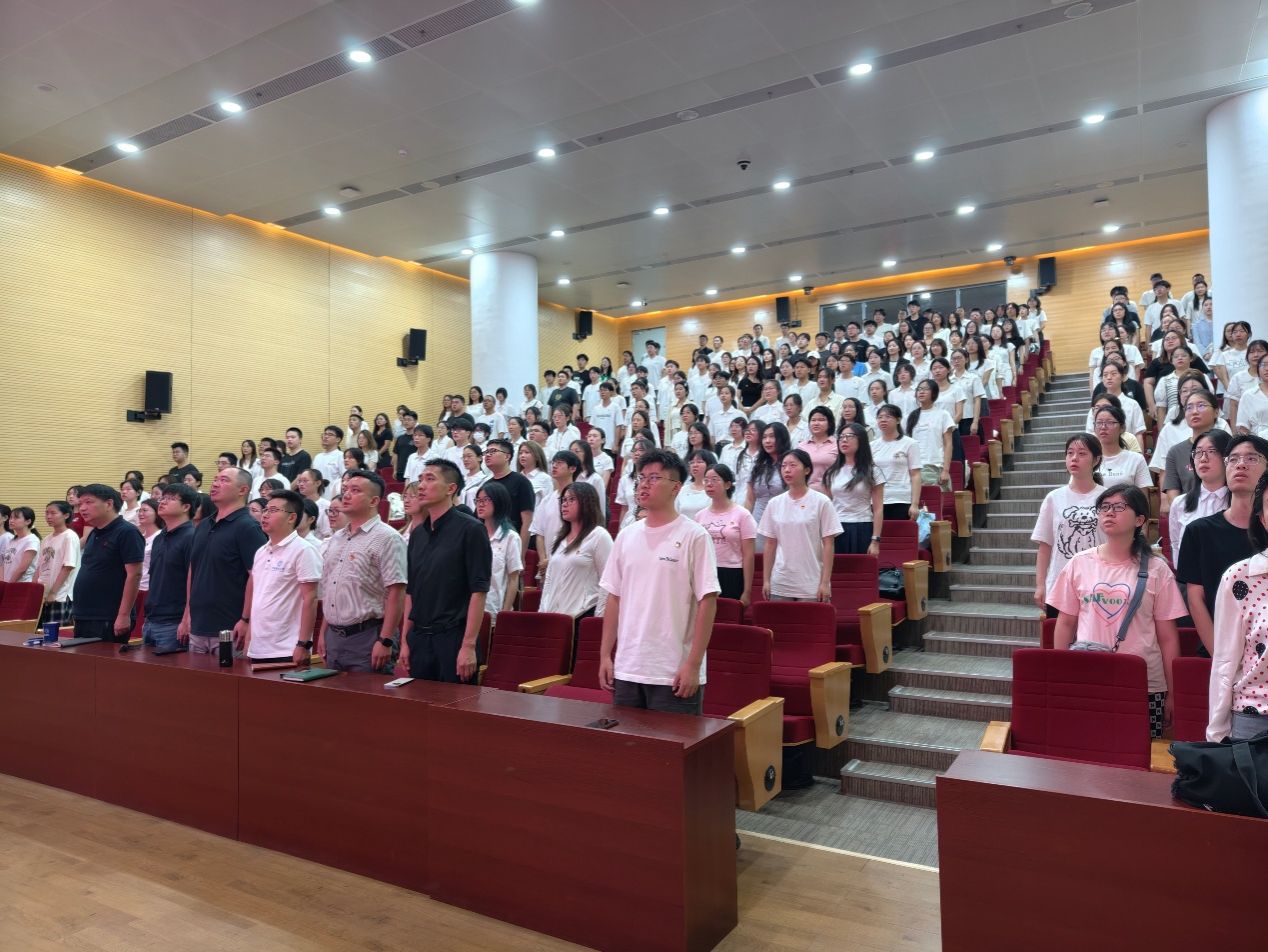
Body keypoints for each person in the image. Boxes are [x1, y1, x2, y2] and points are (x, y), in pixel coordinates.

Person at [1050, 484, 1184, 738]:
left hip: (1146, 683)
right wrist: (1062, 677)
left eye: (1120, 507)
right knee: (1088, 746)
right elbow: (1065, 624)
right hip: (1088, 677)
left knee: (1142, 750)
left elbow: (1168, 637)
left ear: (1140, 520)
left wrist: (1173, 694)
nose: (1109, 512)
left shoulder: (1157, 569)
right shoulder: (1079, 563)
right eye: (1104, 507)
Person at [598, 449, 720, 713]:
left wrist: (693, 664)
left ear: (676, 487)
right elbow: (614, 598)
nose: (644, 484)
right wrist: (605, 655)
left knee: (674, 740)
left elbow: (707, 602)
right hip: (628, 667)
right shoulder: (626, 536)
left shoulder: (695, 536)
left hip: (673, 671)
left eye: (654, 478)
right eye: (641, 477)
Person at [1176, 435, 1268, 656]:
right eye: (1233, 459)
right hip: (1217, 649)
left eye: (1252, 458)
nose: (1241, 464)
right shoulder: (1199, 531)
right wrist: (1222, 658)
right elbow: (1196, 600)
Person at [401, 460, 491, 683]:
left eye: (430, 479)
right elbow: (411, 592)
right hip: (419, 637)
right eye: (420, 479)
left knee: (455, 703)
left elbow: (478, 591)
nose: (421, 485)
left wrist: (468, 646)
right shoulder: (418, 534)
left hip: (453, 637)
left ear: (451, 488)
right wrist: (404, 641)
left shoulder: (471, 529)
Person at [318, 470, 407, 672]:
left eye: (356, 490)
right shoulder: (336, 538)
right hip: (333, 635)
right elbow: (332, 588)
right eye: (346, 489)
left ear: (374, 500)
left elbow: (396, 592)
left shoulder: (388, 538)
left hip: (368, 635)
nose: (347, 495)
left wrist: (385, 640)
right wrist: (323, 632)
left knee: (366, 692)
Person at [179, 468, 266, 653]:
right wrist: (187, 614)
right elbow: (193, 570)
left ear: (243, 490)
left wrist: (246, 619)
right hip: (198, 625)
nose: (215, 484)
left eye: (224, 480)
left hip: (230, 627)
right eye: (215, 479)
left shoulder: (248, 527)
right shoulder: (203, 525)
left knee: (227, 672)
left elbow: (258, 577)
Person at [1209, 473, 1268, 740]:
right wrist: (1217, 733)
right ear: (1262, 518)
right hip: (1255, 719)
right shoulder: (1240, 577)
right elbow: (1225, 661)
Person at [235, 490, 322, 664]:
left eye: (273, 510)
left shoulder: (304, 550)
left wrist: (303, 644)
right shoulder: (261, 551)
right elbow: (258, 599)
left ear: (291, 517)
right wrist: (249, 640)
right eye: (265, 510)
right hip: (258, 648)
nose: (265, 515)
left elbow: (310, 599)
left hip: (287, 648)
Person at [1032, 434, 1104, 616]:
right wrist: (1040, 585)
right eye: (1070, 453)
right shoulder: (1053, 498)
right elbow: (1045, 546)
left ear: (1096, 460)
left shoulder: (1107, 498)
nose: (1074, 458)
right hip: (1060, 585)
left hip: (1098, 583)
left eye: (1082, 453)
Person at [759, 449, 841, 601]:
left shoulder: (821, 502)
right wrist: (766, 580)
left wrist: (825, 583)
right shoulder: (774, 503)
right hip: (781, 581)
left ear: (807, 470)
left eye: (792, 465)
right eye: (783, 466)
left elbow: (829, 544)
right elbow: (770, 544)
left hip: (811, 582)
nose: (787, 470)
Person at [72, 484, 145, 643]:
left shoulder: (127, 532)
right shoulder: (94, 533)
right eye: (81, 503)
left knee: (105, 659)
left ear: (109, 504)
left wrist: (123, 615)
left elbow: (134, 575)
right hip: (85, 614)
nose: (82, 508)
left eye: (88, 502)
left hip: (109, 616)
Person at [540, 481, 612, 630]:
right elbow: (549, 579)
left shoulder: (599, 536)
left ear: (586, 503)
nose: (564, 504)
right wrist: (542, 611)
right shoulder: (559, 538)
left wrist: (598, 619)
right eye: (563, 500)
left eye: (571, 499)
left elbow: (607, 582)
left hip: (581, 616)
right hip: (552, 617)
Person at [141, 482, 197, 651]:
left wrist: (186, 619)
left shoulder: (192, 537)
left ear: (186, 507)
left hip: (174, 621)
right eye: (163, 498)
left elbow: (195, 582)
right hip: (151, 618)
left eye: (171, 498)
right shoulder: (160, 537)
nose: (163, 502)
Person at [1168, 429, 1231, 567]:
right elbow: (1176, 546)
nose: (1203, 458)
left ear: (1227, 457)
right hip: (1190, 578)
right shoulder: (1180, 503)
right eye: (1198, 452)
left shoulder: (1240, 502)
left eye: (1211, 451)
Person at [697, 463, 757, 603]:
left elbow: (748, 556)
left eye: (714, 479)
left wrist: (747, 591)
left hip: (732, 573)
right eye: (706, 480)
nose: (709, 484)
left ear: (727, 484)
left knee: (729, 613)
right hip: (707, 572)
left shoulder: (742, 515)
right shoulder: (700, 516)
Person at [822, 423, 884, 555]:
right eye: (841, 437)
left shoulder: (872, 471)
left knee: (860, 567)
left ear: (861, 440)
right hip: (837, 528)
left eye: (849, 436)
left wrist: (875, 540)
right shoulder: (831, 472)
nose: (844, 440)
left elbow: (878, 509)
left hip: (862, 526)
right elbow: (829, 504)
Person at [472, 481, 522, 627]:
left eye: (485, 500)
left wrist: (504, 614)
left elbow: (513, 579)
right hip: (469, 609)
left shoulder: (510, 537)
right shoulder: (473, 534)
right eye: (478, 500)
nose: (480, 504)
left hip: (494, 611)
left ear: (499, 502)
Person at [872, 404, 922, 519]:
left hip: (901, 499)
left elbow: (915, 475)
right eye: (880, 417)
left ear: (898, 420)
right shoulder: (872, 446)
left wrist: (914, 504)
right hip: (877, 500)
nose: (883, 420)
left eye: (888, 416)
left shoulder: (910, 443)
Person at [907, 379, 955, 488]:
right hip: (915, 467)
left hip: (935, 466)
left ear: (934, 393)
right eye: (919, 389)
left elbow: (948, 444)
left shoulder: (943, 415)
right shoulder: (912, 416)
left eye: (925, 389)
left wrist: (946, 470)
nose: (921, 392)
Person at [1091, 404, 1152, 488]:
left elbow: (1142, 495)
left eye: (1109, 422)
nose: (1103, 427)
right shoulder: (1088, 459)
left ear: (1122, 428)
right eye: (1099, 423)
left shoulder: (1136, 459)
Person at [745, 421, 789, 532]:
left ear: (782, 438)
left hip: (785, 520)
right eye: (764, 437)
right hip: (758, 521)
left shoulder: (790, 464)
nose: (767, 441)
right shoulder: (757, 465)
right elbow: (750, 499)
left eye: (772, 436)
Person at [799, 406, 838, 492]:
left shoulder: (837, 445)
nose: (816, 423)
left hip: (830, 493)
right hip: (805, 493)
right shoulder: (801, 447)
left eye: (821, 420)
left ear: (830, 423)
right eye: (813, 420)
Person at [1, 506, 39, 583]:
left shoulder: (32, 540)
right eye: (11, 518)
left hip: (22, 585)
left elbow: (22, 569)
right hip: (7, 584)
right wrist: (2, 582)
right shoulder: (12, 540)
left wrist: (9, 585)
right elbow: (3, 564)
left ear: (28, 521)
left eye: (16, 518)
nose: (11, 520)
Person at [675, 449, 716, 521]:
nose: (695, 465)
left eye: (699, 462)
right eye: (692, 462)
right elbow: (675, 513)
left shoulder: (715, 489)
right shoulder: (683, 490)